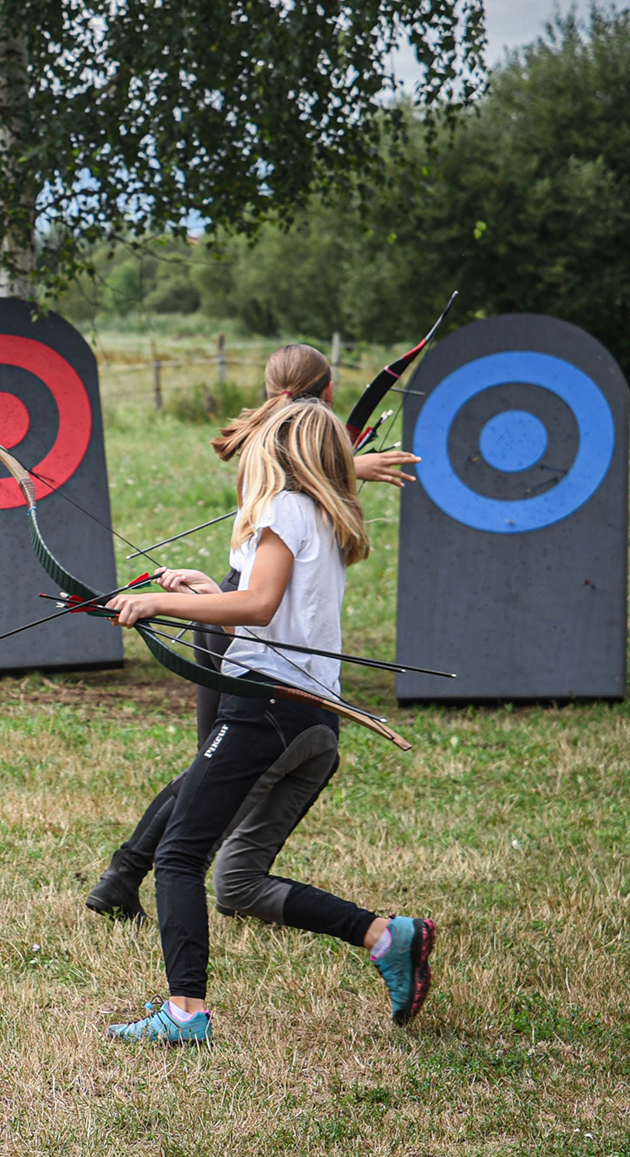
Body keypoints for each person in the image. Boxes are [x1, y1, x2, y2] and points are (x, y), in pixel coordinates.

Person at [104, 393, 437, 1044]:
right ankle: (385, 936)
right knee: (238, 883)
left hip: (265, 710)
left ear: (279, 453)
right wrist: (204, 592)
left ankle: (183, 1014)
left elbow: (258, 606)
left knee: (178, 857)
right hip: (313, 723)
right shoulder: (320, 513)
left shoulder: (285, 506)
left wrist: (151, 602)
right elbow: (267, 605)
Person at [83, 345, 421, 922]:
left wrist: (343, 469)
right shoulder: (283, 463)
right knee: (215, 766)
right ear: (331, 393)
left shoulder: (285, 450)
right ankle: (129, 872)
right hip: (242, 616)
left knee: (217, 764)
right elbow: (266, 575)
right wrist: (347, 469)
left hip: (244, 608)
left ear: (272, 386)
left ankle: (130, 873)